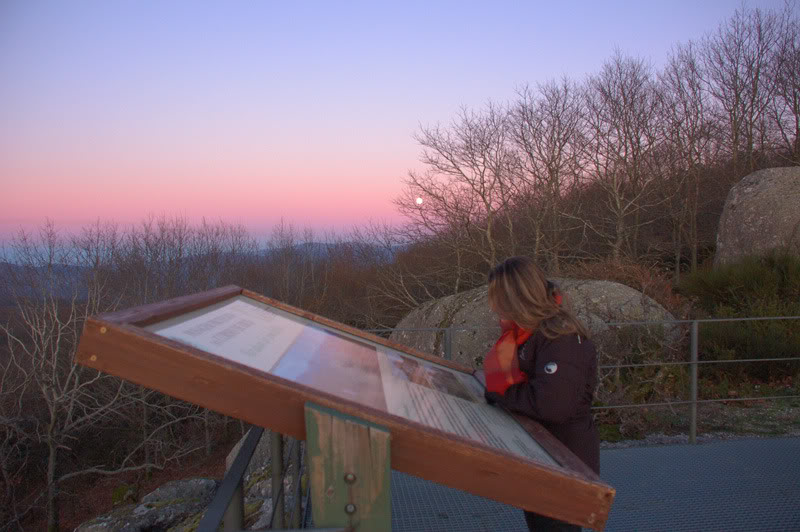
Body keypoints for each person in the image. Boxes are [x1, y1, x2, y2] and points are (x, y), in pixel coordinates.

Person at [483, 256, 599, 532]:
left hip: (565, 459)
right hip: (541, 454)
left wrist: (500, 395)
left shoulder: (561, 338)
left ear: (517, 297)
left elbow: (553, 405)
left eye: (498, 298)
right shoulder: (529, 334)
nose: (493, 306)